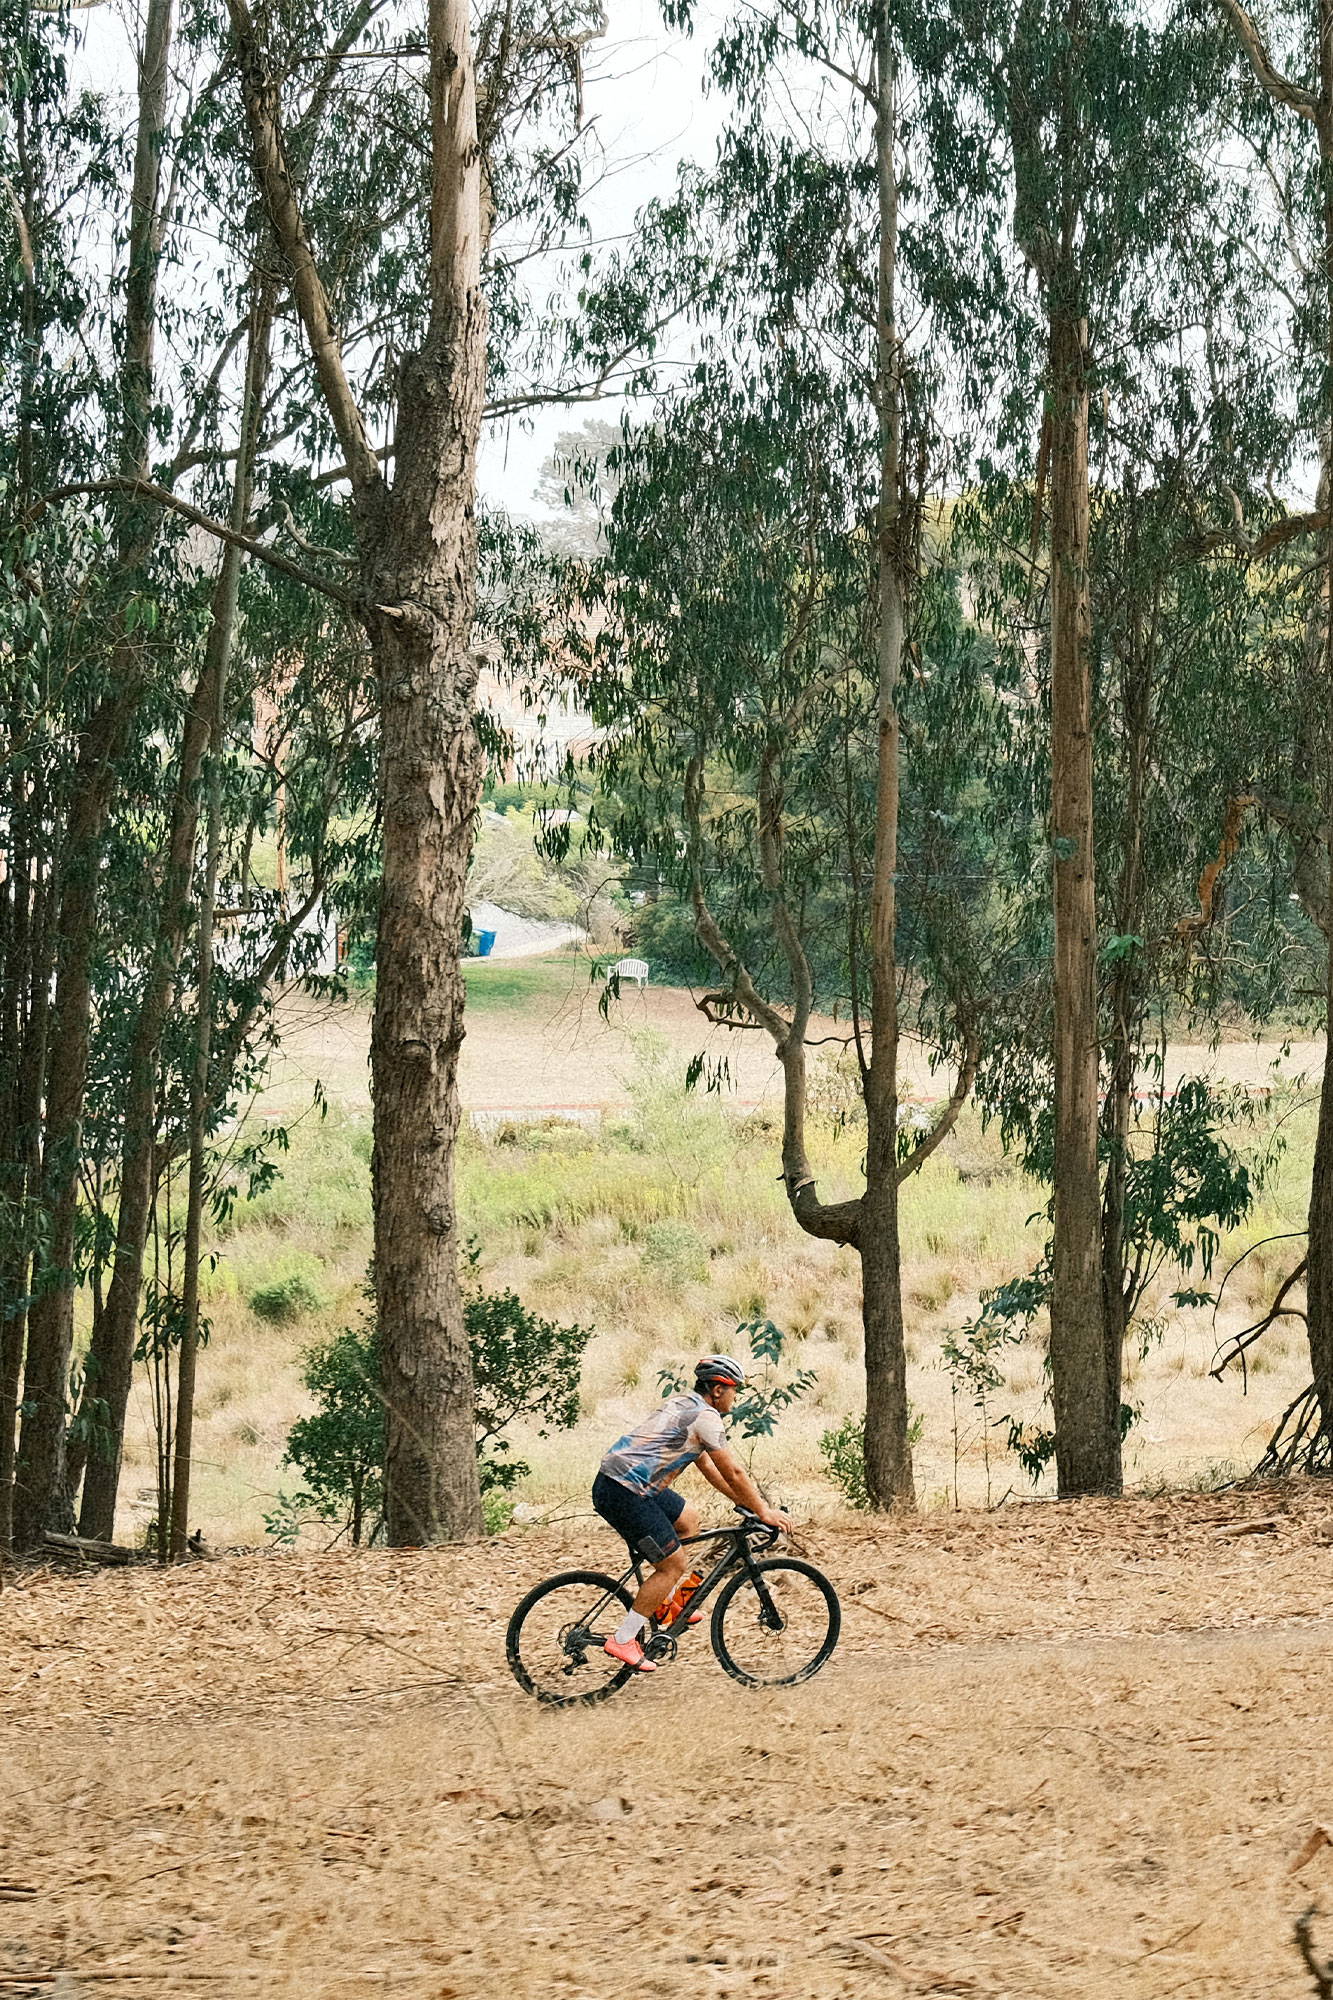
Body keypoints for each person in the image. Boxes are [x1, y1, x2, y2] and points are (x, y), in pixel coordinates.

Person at [592, 1353, 794, 1673]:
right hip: (625, 1492)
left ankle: (666, 1607)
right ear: (717, 1390)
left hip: (624, 1483)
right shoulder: (706, 1418)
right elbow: (735, 1473)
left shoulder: (685, 1404)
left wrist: (746, 1505)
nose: (735, 1397)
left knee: (689, 1521)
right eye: (734, 1390)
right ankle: (624, 1639)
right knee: (672, 1565)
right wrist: (763, 1511)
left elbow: (710, 1468)